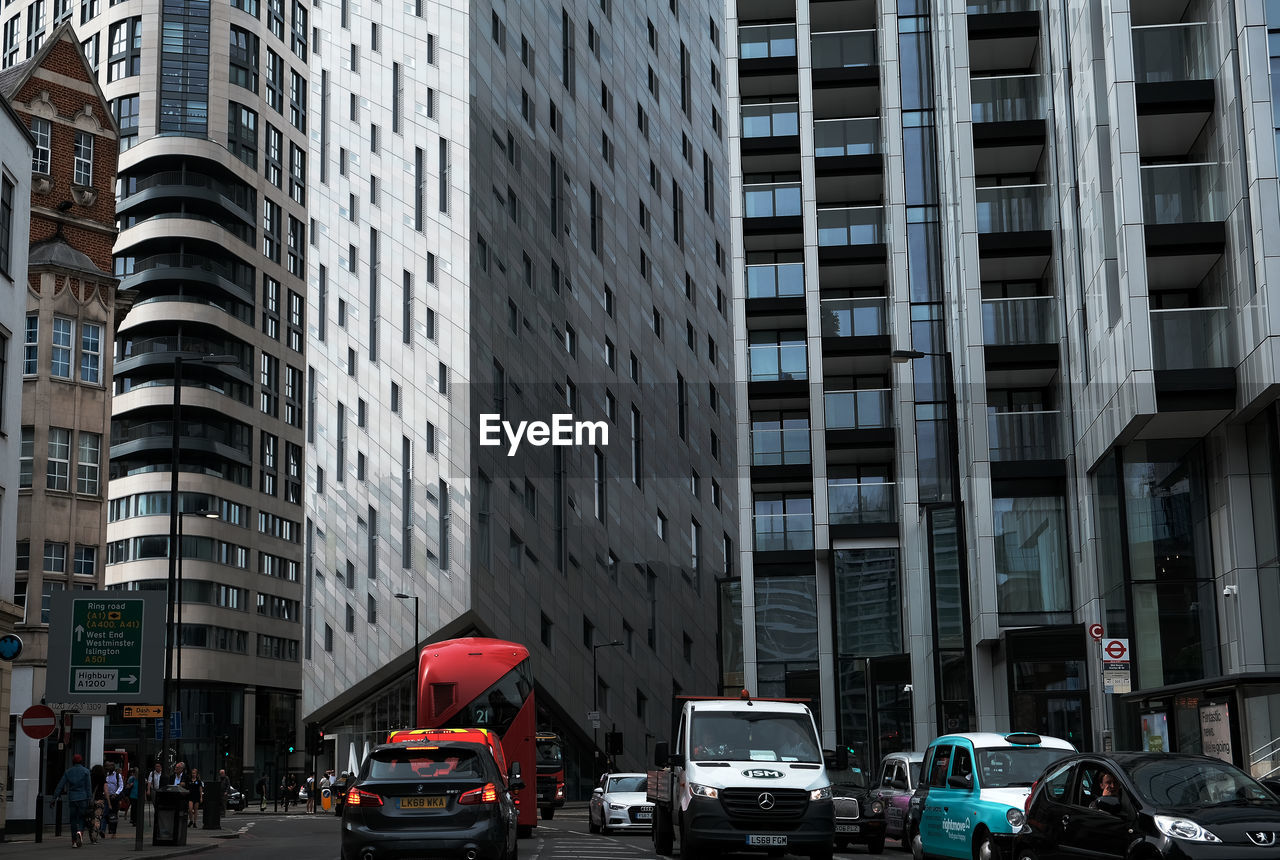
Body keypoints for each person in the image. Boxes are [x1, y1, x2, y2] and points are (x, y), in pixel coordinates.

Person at [53, 754, 93, 848]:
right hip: (83, 798)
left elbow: (60, 785)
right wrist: (89, 798)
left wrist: (54, 798)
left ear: (73, 762)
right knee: (82, 818)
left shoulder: (68, 772)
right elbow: (88, 787)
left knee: (73, 820)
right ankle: (80, 832)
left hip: (72, 798)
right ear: (81, 761)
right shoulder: (86, 771)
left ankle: (74, 841)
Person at [104, 762, 124, 837]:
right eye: (109, 766)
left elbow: (121, 786)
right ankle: (108, 829)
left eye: (112, 765)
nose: (110, 767)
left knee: (114, 815)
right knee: (106, 814)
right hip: (107, 797)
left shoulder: (118, 776)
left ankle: (113, 832)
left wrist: (116, 794)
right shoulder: (106, 775)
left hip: (114, 797)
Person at [89, 763, 106, 842]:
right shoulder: (103, 778)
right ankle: (94, 837)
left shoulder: (90, 777)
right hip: (100, 799)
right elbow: (105, 789)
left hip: (91, 799)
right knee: (97, 818)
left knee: (91, 818)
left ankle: (90, 834)